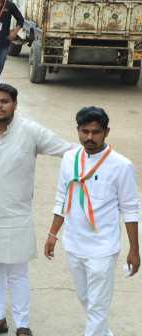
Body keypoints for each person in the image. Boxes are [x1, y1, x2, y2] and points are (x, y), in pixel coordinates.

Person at [0, 84, 73, 336]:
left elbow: (68, 150)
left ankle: (23, 325)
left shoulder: (30, 131)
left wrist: (100, 155)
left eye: (4, 101)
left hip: (16, 216)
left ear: (15, 104)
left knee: (17, 273)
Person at [45, 106, 139, 336]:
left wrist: (134, 250)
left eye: (95, 132)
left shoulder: (121, 165)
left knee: (98, 306)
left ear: (106, 132)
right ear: (77, 130)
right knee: (87, 299)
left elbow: (130, 210)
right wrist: (52, 234)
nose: (89, 137)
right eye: (84, 131)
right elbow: (62, 196)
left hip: (103, 247)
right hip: (74, 243)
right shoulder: (70, 158)